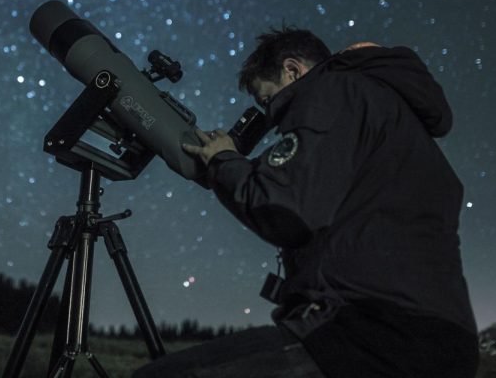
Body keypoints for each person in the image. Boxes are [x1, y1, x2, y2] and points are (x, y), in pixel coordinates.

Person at [134, 28, 478, 378]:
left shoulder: (331, 90)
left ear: (293, 71)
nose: (273, 120)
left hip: (370, 334)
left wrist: (223, 161)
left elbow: (283, 208)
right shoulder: (385, 115)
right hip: (438, 339)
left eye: (268, 101)